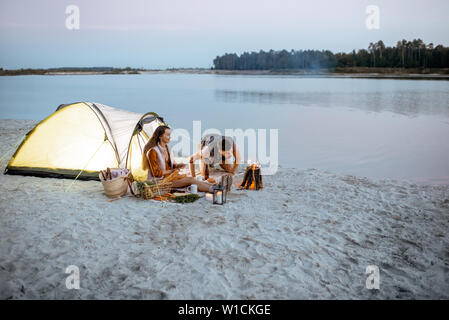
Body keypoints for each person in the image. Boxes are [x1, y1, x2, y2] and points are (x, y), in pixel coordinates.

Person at [142, 125, 223, 193]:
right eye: (167, 135)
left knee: (191, 179)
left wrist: (177, 165)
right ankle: (213, 190)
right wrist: (171, 171)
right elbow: (155, 173)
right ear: (160, 136)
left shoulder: (167, 148)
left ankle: (216, 187)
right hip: (159, 181)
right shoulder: (153, 151)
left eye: (170, 135)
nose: (170, 137)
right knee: (190, 181)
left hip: (169, 177)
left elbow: (170, 165)